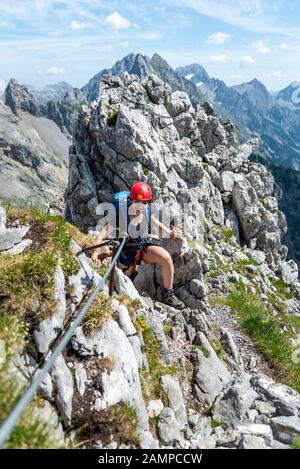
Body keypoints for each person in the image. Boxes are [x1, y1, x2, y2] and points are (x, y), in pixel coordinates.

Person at [92, 182, 185, 310]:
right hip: (125, 249)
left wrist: (170, 232)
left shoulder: (146, 210)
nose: (141, 206)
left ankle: (168, 293)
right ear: (131, 200)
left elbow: (155, 222)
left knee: (166, 258)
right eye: (138, 202)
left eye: (145, 203)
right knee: (122, 281)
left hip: (142, 245)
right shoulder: (121, 215)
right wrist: (95, 253)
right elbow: (101, 235)